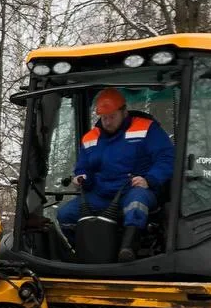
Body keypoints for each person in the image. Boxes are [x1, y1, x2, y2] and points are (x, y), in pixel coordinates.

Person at [58, 87, 174, 261]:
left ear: (124, 112)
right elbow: (83, 167)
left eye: (112, 116)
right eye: (104, 117)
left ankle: (127, 251)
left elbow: (167, 158)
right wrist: (82, 177)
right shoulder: (90, 138)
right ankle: (84, 252)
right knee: (65, 214)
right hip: (101, 194)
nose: (107, 122)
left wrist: (149, 179)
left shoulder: (147, 129)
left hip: (133, 189)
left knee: (136, 203)